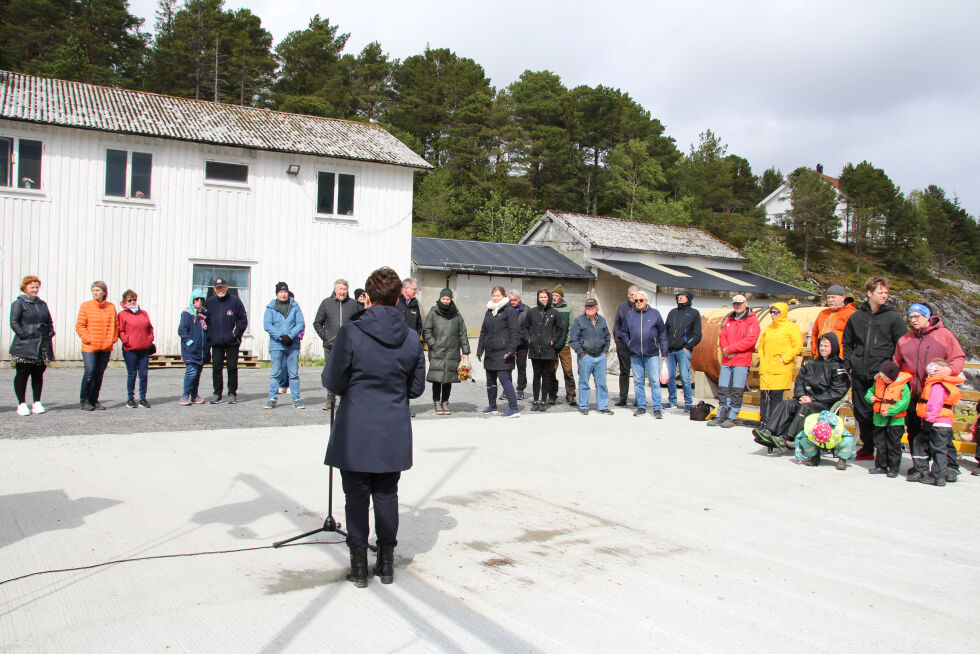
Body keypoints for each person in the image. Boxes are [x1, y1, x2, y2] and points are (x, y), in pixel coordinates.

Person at [322, 266, 426, 587]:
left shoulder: (352, 333)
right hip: (391, 426)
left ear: (367, 298)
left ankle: (358, 566)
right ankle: (386, 562)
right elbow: (415, 388)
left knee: (355, 495)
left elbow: (333, 380)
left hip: (355, 426)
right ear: (397, 299)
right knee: (386, 494)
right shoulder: (410, 338)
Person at [893, 302, 966, 482]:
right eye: (910, 317)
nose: (913, 320)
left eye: (917, 316)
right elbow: (896, 362)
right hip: (914, 394)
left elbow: (958, 358)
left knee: (941, 434)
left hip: (938, 395)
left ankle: (949, 467)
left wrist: (949, 370)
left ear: (927, 316)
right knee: (915, 432)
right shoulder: (905, 339)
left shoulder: (944, 335)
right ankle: (920, 467)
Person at [841, 276, 907, 459]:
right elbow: (846, 343)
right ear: (870, 293)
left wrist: (891, 370)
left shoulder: (894, 318)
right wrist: (850, 363)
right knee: (862, 413)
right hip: (859, 373)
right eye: (880, 292)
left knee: (881, 412)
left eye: (886, 292)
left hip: (882, 376)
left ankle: (884, 451)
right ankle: (868, 447)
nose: (885, 295)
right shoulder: (856, 317)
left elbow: (902, 345)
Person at [753, 333, 849, 451]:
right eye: (821, 345)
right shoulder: (811, 364)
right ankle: (768, 431)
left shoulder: (839, 367)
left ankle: (786, 438)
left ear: (833, 347)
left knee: (806, 407)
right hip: (806, 399)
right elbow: (799, 381)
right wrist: (801, 395)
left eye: (826, 346)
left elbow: (837, 392)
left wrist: (813, 399)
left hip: (823, 404)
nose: (823, 348)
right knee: (786, 403)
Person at [907, 359, 965, 486]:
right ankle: (937, 474)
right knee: (940, 448)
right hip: (945, 422)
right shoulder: (946, 384)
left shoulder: (937, 386)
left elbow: (934, 404)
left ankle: (937, 476)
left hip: (936, 421)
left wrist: (928, 421)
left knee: (935, 448)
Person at [708, 294, 760, 428]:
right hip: (727, 359)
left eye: (740, 303)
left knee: (737, 389)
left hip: (741, 360)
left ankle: (733, 416)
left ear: (746, 303)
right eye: (735, 303)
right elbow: (722, 335)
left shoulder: (751, 320)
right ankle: (721, 414)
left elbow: (750, 340)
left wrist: (731, 349)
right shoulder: (730, 319)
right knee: (723, 388)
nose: (737, 306)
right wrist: (725, 348)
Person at [9, 275, 54, 416]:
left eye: (37, 287)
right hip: (25, 345)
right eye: (32, 287)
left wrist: (50, 331)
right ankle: (21, 403)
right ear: (25, 288)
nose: (35, 289)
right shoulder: (19, 303)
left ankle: (36, 402)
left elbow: (48, 320)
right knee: (22, 374)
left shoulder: (42, 304)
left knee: (38, 374)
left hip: (42, 345)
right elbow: (14, 322)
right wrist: (24, 334)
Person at [422, 288, 470, 415]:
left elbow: (463, 334)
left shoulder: (457, 315)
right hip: (437, 350)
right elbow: (426, 330)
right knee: (437, 377)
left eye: (447, 299)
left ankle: (445, 402)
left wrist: (465, 352)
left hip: (452, 351)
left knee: (448, 378)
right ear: (440, 298)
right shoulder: (433, 312)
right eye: (443, 298)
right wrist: (433, 344)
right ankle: (437, 401)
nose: (445, 301)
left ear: (451, 300)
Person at [621, 290, 668, 419]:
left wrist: (664, 352)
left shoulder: (655, 314)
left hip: (651, 354)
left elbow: (662, 334)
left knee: (654, 382)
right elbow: (623, 332)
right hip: (635, 354)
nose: (638, 303)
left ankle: (657, 408)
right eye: (636, 301)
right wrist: (629, 343)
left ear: (646, 301)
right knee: (638, 382)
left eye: (641, 300)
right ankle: (641, 406)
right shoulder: (629, 315)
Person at [476, 285, 521, 417]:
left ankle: (514, 409)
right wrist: (480, 348)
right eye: (494, 295)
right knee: (490, 380)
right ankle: (492, 406)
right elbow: (484, 331)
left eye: (498, 296)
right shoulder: (489, 311)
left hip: (504, 351)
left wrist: (512, 350)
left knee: (504, 379)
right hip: (490, 351)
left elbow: (515, 332)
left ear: (504, 296)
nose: (495, 298)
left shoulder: (509, 310)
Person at [314, 279, 358, 410]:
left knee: (348, 372)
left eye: (345, 289)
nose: (342, 292)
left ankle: (347, 399)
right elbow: (317, 323)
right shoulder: (326, 303)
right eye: (340, 289)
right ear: (335, 290)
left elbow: (359, 323)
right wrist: (325, 338)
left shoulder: (353, 304)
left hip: (348, 346)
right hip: (330, 346)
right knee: (331, 372)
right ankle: (330, 399)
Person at [756, 302, 803, 427]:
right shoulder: (769, 328)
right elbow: (761, 344)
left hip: (781, 367)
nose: (773, 315)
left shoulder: (791, 327)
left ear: (783, 313)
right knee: (764, 395)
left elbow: (798, 346)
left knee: (776, 395)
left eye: (776, 312)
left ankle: (773, 422)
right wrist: (761, 355)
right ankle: (763, 421)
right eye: (771, 312)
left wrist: (785, 358)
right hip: (767, 366)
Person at [863, 360, 911, 478]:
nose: (883, 379)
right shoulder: (878, 382)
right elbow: (869, 392)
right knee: (880, 444)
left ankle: (894, 468)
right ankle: (881, 466)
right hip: (879, 419)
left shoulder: (903, 386)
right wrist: (870, 398)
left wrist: (890, 411)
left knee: (894, 445)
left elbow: (904, 402)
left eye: (885, 377)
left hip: (895, 421)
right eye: (882, 376)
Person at [75, 281, 119, 411]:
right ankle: (85, 400)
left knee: (99, 374)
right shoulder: (86, 306)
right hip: (90, 346)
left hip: (105, 346)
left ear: (104, 292)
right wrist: (88, 339)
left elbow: (115, 325)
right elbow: (80, 326)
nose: (95, 293)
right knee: (90, 371)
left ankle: (94, 400)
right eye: (93, 290)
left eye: (98, 290)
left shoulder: (111, 307)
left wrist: (113, 339)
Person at [205, 277, 248, 405]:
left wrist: (236, 333)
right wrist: (210, 335)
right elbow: (205, 320)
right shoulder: (210, 302)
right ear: (214, 289)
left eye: (222, 287)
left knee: (232, 367)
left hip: (232, 342)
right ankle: (217, 393)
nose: (220, 290)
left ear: (227, 287)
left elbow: (242, 319)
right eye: (218, 288)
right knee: (216, 368)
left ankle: (232, 393)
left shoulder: (235, 301)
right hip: (216, 341)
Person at [263, 282, 305, 409]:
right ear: (277, 293)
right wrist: (281, 336)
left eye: (285, 292)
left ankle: (296, 399)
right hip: (277, 345)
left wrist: (290, 336)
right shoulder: (270, 307)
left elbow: (300, 323)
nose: (283, 294)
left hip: (292, 345)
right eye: (281, 292)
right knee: (275, 373)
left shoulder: (295, 306)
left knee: (293, 374)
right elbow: (267, 325)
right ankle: (272, 398)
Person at [568, 298, 613, 415]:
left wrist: (605, 352)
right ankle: (583, 407)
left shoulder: (602, 320)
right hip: (586, 357)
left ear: (596, 308)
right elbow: (573, 340)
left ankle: (602, 407)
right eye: (588, 306)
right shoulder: (579, 321)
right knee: (584, 383)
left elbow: (608, 337)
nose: (590, 308)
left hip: (601, 357)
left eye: (592, 306)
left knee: (602, 384)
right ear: (585, 308)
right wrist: (581, 354)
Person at [522, 288, 562, 412]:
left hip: (547, 349)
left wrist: (553, 340)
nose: (543, 299)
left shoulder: (554, 312)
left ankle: (543, 400)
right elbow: (524, 327)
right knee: (536, 375)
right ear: (538, 298)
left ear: (549, 298)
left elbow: (560, 328)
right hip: (534, 348)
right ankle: (535, 400)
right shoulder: (532, 312)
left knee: (546, 375)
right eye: (541, 297)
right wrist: (529, 339)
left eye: (545, 297)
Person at [664, 290, 701, 412]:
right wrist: (665, 345)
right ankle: (672, 401)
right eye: (679, 296)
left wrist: (687, 346)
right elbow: (666, 330)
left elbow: (697, 334)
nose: (680, 297)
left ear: (689, 298)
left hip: (683, 350)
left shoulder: (694, 313)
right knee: (670, 377)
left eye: (683, 296)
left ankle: (688, 403)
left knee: (685, 377)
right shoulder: (673, 312)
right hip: (670, 350)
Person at [117, 289, 154, 409]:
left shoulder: (143, 313)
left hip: (144, 348)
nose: (132, 302)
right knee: (132, 374)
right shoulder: (122, 314)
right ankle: (130, 398)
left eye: (134, 299)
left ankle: (143, 398)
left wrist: (149, 339)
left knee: (143, 374)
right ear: (125, 302)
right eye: (130, 300)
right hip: (130, 349)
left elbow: (150, 328)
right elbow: (121, 330)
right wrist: (126, 341)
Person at [177, 290, 209, 405]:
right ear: (192, 300)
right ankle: (185, 395)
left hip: (201, 350)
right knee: (191, 372)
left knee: (198, 373)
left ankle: (194, 395)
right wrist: (189, 342)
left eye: (201, 299)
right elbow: (182, 330)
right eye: (196, 299)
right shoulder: (187, 313)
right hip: (191, 350)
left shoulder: (204, 314)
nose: (199, 301)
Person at [809, 284, 856, 358]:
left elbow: (856, 338)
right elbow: (814, 333)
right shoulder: (823, 313)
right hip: (821, 356)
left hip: (840, 357)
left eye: (833, 297)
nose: (830, 300)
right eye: (828, 297)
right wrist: (814, 352)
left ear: (842, 298)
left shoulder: (851, 314)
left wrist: (849, 358)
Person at [548, 284, 576, 406]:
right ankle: (552, 395)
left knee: (568, 371)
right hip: (551, 346)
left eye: (557, 295)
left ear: (561, 297)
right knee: (551, 371)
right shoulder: (548, 308)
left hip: (564, 345)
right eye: (553, 295)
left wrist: (568, 342)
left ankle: (570, 395)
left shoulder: (568, 309)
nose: (554, 297)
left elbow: (571, 327)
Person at [612, 285, 639, 407]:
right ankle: (623, 398)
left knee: (639, 372)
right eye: (633, 294)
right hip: (623, 344)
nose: (635, 297)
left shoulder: (642, 307)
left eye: (637, 294)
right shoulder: (622, 307)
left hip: (638, 345)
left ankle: (639, 398)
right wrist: (618, 340)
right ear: (629, 295)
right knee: (624, 372)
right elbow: (617, 324)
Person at [508, 290, 529, 400]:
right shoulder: (506, 309)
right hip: (509, 344)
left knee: (521, 367)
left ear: (519, 299)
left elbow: (527, 327)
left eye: (515, 300)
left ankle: (520, 389)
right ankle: (508, 389)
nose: (512, 302)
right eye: (511, 300)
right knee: (508, 367)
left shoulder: (526, 310)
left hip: (522, 344)